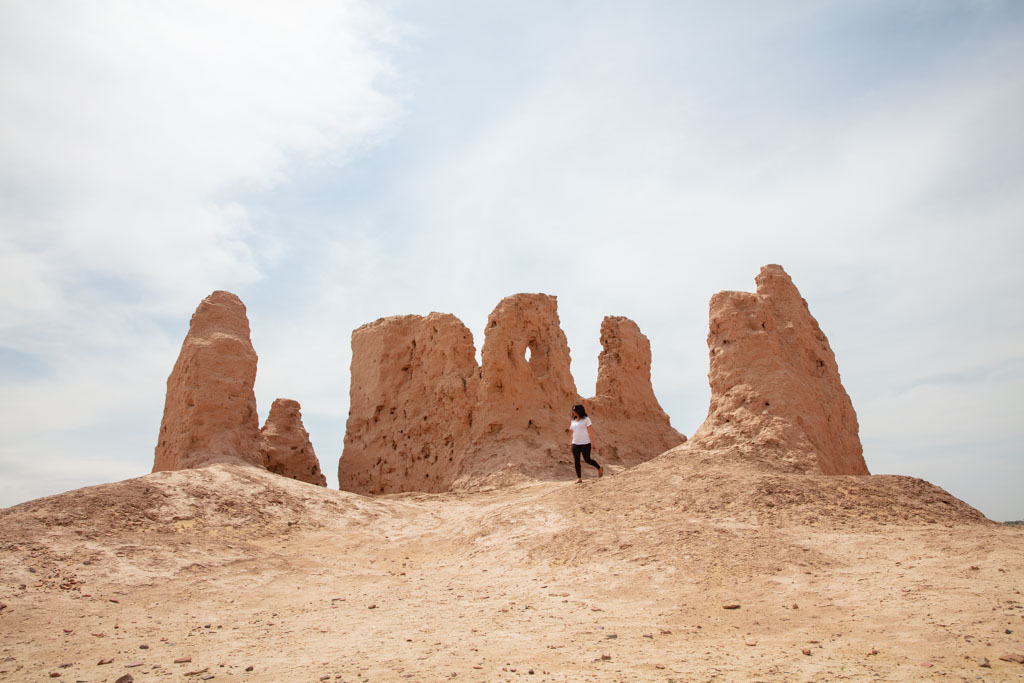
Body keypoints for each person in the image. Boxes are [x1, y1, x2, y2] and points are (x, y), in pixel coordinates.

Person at [569, 403, 602, 483]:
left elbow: (590, 432)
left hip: (585, 443)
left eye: (575, 410)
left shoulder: (586, 419)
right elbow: (572, 433)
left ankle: (599, 468)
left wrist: (593, 443)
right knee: (576, 461)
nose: (573, 412)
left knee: (587, 459)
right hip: (575, 444)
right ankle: (579, 478)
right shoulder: (573, 420)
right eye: (573, 410)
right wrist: (571, 444)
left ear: (579, 411)